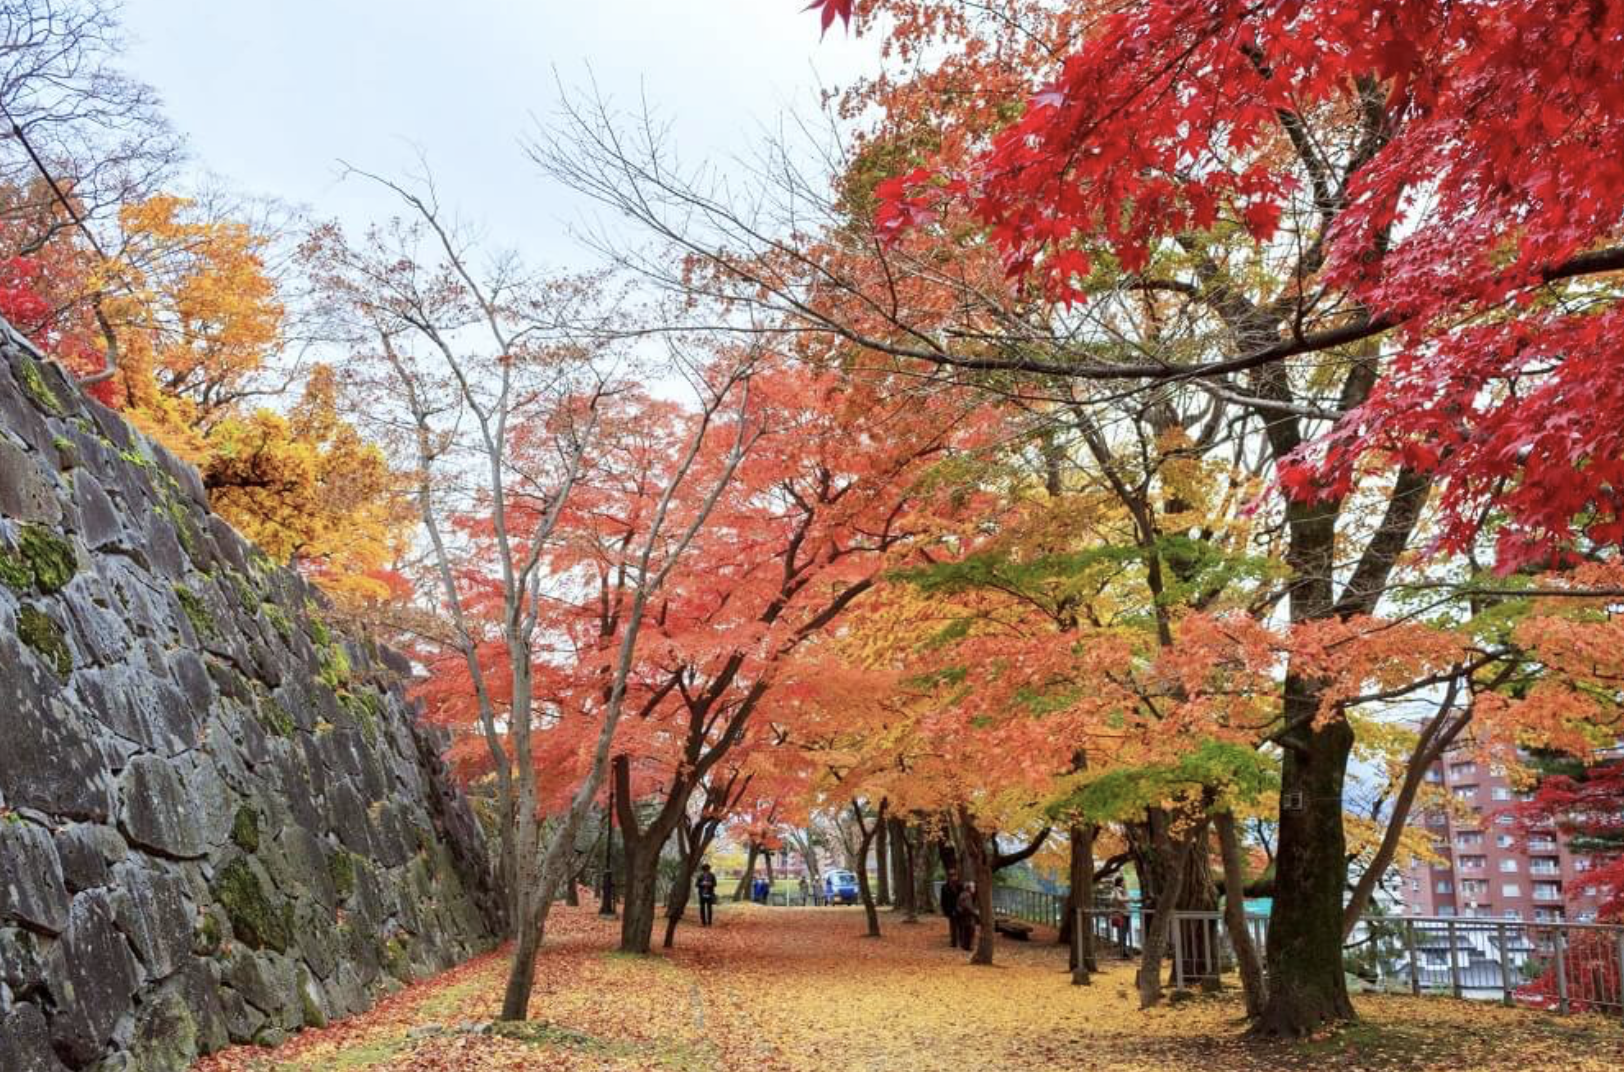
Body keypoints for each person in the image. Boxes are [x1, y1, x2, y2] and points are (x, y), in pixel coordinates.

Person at [939, 867, 965, 948]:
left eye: (954, 875)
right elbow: (943, 900)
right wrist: (945, 910)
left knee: (961, 925)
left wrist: (962, 908)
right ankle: (953, 942)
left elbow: (963, 897)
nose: (953, 877)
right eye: (951, 875)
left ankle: (962, 941)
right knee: (953, 926)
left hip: (960, 909)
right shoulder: (945, 887)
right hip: (950, 909)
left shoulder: (960, 886)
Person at [1110, 876, 1131, 957]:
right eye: (1123, 881)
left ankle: (1124, 950)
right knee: (1122, 933)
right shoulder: (1117, 890)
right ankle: (1123, 951)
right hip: (1122, 914)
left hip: (1125, 913)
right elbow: (1119, 899)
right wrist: (1129, 898)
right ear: (1120, 882)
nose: (1124, 883)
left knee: (1124, 932)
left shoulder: (1121, 890)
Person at [955, 880, 978, 952]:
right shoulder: (967, 895)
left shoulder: (963, 894)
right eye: (973, 887)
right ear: (969, 888)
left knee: (966, 931)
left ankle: (965, 946)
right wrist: (976, 913)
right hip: (967, 917)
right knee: (970, 931)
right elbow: (968, 907)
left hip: (963, 916)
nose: (974, 888)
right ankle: (968, 946)